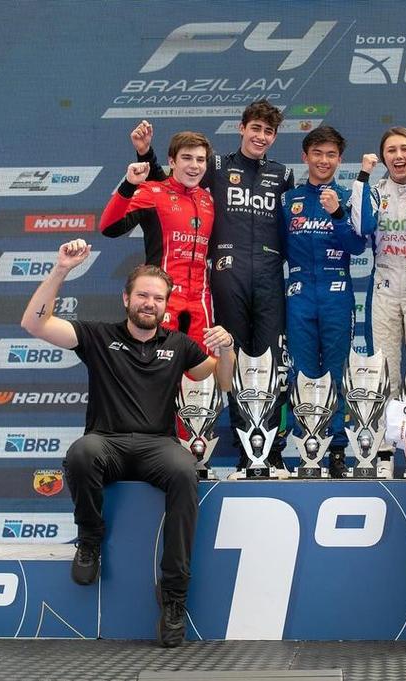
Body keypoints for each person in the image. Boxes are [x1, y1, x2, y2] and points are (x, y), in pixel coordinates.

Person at [20, 239, 236, 648]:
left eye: (157, 298)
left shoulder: (179, 345)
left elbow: (222, 381)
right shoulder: (99, 337)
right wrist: (61, 270)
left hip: (159, 445)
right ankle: (90, 538)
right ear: (126, 298)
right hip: (108, 442)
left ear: (166, 305)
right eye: (142, 295)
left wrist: (226, 349)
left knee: (185, 472)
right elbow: (35, 324)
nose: (149, 303)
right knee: (81, 453)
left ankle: (173, 596)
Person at [131, 100, 294, 478]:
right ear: (242, 128)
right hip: (226, 276)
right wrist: (145, 154)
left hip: (270, 276)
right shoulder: (217, 166)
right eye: (255, 128)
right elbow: (172, 184)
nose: (261, 137)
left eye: (269, 132)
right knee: (230, 360)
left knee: (273, 366)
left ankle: (272, 451)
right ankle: (244, 449)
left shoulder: (282, 174)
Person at [350, 127, 406, 476]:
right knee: (384, 373)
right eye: (391, 150)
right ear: (383, 156)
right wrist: (362, 176)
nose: (398, 156)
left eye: (405, 149)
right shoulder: (375, 191)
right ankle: (385, 450)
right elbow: (360, 226)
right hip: (384, 287)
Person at [281, 126, 367, 477]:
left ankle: (336, 449)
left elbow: (358, 247)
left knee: (336, 372)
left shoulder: (348, 197)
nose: (323, 160)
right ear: (305, 157)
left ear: (339, 159)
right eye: (317, 153)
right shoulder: (289, 200)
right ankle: (306, 446)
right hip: (299, 295)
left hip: (336, 295)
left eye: (331, 154)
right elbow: (279, 249)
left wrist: (337, 215)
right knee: (302, 372)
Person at [100, 131, 215, 348]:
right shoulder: (153, 192)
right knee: (157, 370)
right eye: (187, 158)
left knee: (201, 376)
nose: (194, 166)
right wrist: (128, 185)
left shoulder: (208, 200)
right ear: (172, 161)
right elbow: (109, 227)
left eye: (200, 160)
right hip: (163, 298)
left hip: (201, 302)